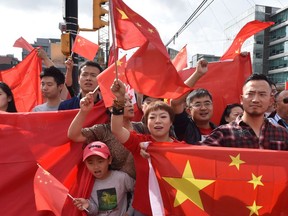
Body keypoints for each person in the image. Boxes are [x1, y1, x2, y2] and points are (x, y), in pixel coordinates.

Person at [110, 79, 183, 216]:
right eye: (152, 117)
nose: (157, 121)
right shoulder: (140, 143)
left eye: (163, 117)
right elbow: (116, 129)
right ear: (146, 123)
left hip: (173, 208)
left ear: (171, 121)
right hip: (143, 209)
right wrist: (119, 99)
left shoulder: (182, 149)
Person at [202, 74, 288, 150]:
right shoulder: (224, 133)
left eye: (262, 94)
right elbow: (195, 158)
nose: (255, 100)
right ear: (242, 99)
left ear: (271, 101)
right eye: (250, 94)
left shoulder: (282, 133)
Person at [68, 91, 139, 178]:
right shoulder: (103, 130)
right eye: (124, 102)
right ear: (111, 108)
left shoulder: (142, 128)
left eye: (130, 101)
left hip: (145, 185)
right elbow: (74, 135)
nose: (130, 105)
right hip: (116, 188)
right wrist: (83, 112)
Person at [73, 141, 135, 216]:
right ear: (85, 164)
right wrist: (88, 205)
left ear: (109, 160)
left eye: (100, 161)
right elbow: (95, 211)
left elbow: (138, 191)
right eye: (90, 163)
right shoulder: (88, 184)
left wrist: (129, 213)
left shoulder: (122, 178)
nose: (96, 167)